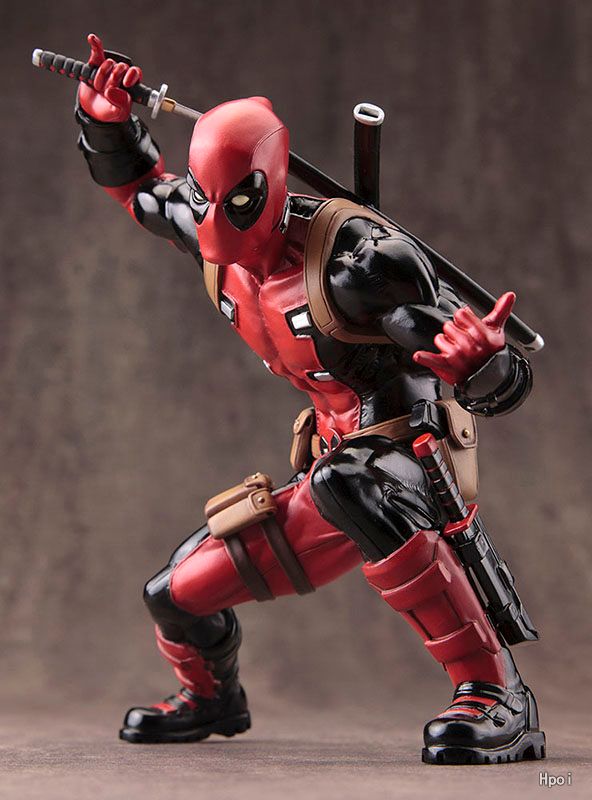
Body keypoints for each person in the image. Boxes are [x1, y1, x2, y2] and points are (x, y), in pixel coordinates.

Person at [73, 33, 545, 764]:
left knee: (350, 481)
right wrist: (105, 121)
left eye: (237, 203)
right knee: (173, 595)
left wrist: (483, 365)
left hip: (408, 458)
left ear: (271, 186)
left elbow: (483, 366)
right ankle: (212, 698)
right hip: (329, 468)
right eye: (202, 200)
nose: (214, 225)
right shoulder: (206, 231)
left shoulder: (359, 265)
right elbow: (139, 188)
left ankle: (498, 694)